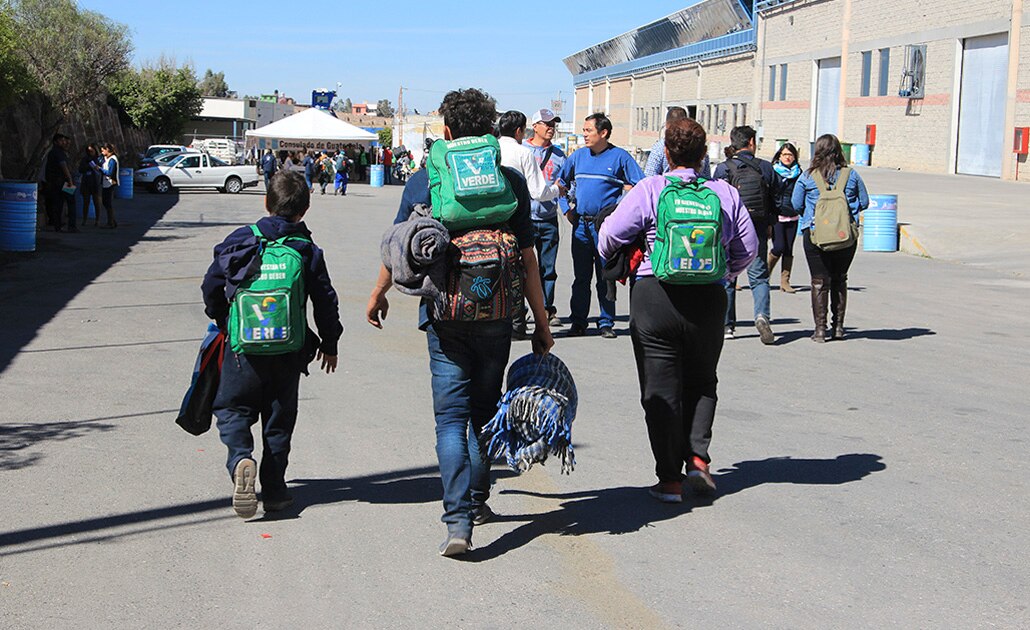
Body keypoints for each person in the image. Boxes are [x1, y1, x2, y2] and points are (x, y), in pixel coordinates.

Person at [365, 87, 553, 557]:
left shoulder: (426, 179)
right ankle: (476, 499)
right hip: (498, 316)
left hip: (444, 316)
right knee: (484, 414)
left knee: (450, 420)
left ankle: (457, 524)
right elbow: (529, 258)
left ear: (446, 132)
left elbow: (399, 247)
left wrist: (377, 295)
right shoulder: (509, 180)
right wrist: (542, 322)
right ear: (489, 132)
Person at [598, 118, 757, 502]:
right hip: (707, 297)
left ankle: (669, 479)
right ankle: (698, 460)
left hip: (656, 297)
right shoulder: (724, 194)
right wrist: (723, 274)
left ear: (666, 153)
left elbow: (608, 238)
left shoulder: (650, 190)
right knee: (702, 380)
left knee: (660, 388)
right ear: (704, 156)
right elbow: (748, 249)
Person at [201, 170, 343, 518]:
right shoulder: (305, 249)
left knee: (232, 408)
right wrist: (330, 342)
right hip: (288, 351)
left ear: (266, 202)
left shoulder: (241, 240)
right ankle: (276, 491)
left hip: (243, 349)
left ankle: (240, 459)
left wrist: (223, 319)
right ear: (304, 211)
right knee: (278, 421)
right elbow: (325, 300)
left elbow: (211, 285)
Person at [556, 112, 644, 339]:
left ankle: (606, 322)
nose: (584, 135)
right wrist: (566, 208)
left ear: (603, 133)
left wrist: (621, 210)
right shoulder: (577, 158)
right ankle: (578, 322)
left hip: (606, 229)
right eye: (584, 130)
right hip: (581, 227)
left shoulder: (620, 158)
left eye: (588, 131)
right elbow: (560, 184)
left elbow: (641, 185)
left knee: (606, 275)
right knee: (581, 278)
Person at [792, 134, 869, 342]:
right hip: (845, 236)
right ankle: (838, 328)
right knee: (839, 278)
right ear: (838, 151)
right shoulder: (851, 175)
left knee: (819, 281)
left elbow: (796, 203)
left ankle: (819, 330)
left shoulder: (807, 176)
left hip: (815, 235)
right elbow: (865, 201)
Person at [496, 109, 563, 339]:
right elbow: (538, 191)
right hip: (521, 218)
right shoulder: (523, 153)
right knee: (530, 266)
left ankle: (510, 315)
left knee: (506, 269)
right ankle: (525, 322)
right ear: (519, 131)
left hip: (496, 220)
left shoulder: (490, 150)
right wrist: (558, 190)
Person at [713, 125, 777, 344]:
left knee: (728, 276)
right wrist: (770, 224)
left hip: (730, 228)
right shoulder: (765, 168)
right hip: (757, 227)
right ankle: (761, 316)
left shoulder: (723, 168)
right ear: (751, 142)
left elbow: (716, 200)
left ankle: (727, 326)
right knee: (759, 276)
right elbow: (775, 200)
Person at [523, 108, 567, 331]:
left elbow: (566, 186)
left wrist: (569, 210)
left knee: (548, 268)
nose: (551, 128)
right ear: (535, 126)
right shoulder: (522, 151)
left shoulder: (560, 156)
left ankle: (547, 309)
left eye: (554, 124)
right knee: (521, 267)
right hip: (525, 219)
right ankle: (518, 312)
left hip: (548, 219)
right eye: (547, 124)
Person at [769, 143, 802, 293]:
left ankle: (785, 281)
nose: (787, 157)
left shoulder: (799, 173)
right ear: (779, 156)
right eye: (784, 154)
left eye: (790, 155)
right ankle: (764, 276)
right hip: (777, 215)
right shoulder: (773, 172)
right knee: (779, 247)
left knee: (788, 249)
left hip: (793, 215)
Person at [644, 106, 711, 179]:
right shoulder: (698, 144)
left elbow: (649, 175)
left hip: (665, 187)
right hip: (698, 188)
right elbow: (707, 178)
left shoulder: (660, 146)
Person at [43, 133, 76, 232]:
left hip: (55, 182)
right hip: (63, 182)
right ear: (55, 142)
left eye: (64, 140)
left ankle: (58, 225)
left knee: (58, 203)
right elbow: (64, 166)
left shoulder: (54, 152)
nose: (64, 142)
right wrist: (70, 180)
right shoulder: (58, 153)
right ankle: (71, 226)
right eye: (61, 141)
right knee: (71, 202)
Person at [78, 144, 103, 227]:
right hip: (86, 182)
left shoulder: (99, 159)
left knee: (97, 202)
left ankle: (98, 220)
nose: (90, 153)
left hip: (96, 182)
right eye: (88, 151)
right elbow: (80, 169)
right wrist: (88, 166)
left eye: (92, 151)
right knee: (86, 202)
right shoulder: (85, 159)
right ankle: (84, 219)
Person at [99, 143, 120, 229]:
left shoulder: (112, 160)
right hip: (106, 182)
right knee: (106, 202)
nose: (102, 152)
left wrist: (100, 169)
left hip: (110, 183)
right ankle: (112, 221)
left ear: (107, 149)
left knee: (107, 203)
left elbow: (110, 173)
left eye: (103, 150)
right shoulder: (106, 159)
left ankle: (110, 222)